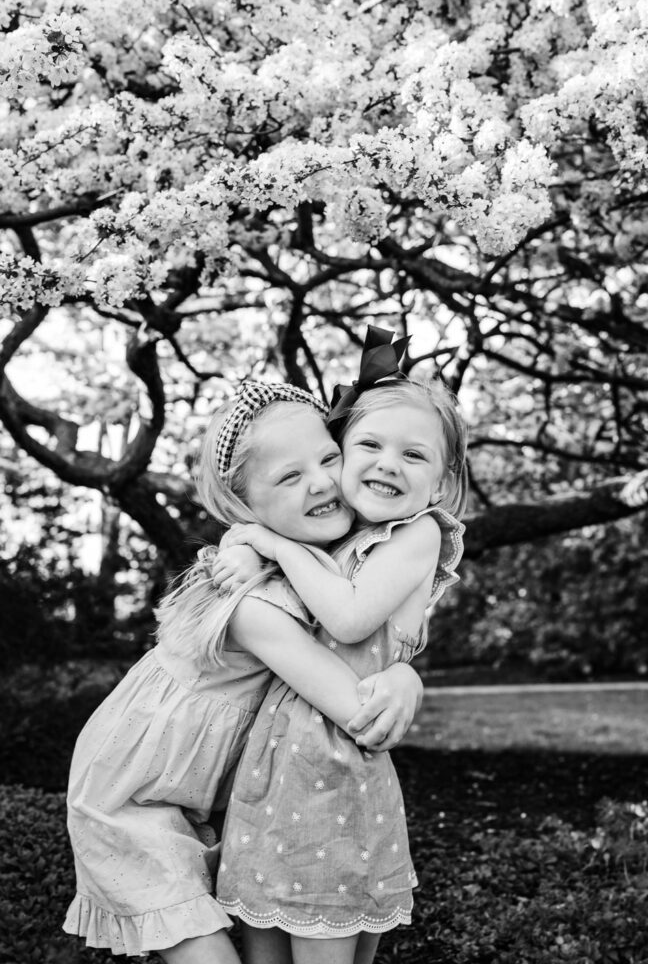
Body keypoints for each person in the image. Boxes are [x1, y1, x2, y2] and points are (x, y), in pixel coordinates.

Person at [63, 380, 424, 964]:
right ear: (244, 505)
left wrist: (404, 670)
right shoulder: (252, 603)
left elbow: (370, 635)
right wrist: (405, 682)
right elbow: (354, 704)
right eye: (288, 476)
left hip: (199, 789)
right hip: (129, 799)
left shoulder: (301, 561)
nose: (323, 482)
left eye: (330, 457)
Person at [213, 354, 467, 964]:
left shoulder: (418, 534)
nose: (388, 464)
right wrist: (248, 547)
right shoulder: (340, 531)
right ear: (342, 451)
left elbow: (348, 617)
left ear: (442, 480)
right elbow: (254, 524)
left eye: (415, 455)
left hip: (339, 778)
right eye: (370, 445)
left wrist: (268, 544)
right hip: (273, 776)